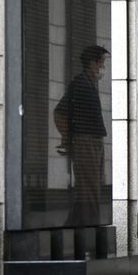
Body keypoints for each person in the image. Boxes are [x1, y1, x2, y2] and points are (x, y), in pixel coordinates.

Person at [54, 45, 109, 227]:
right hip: (86, 141)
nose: (103, 66)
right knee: (89, 188)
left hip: (92, 141)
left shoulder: (89, 83)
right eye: (101, 62)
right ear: (92, 62)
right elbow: (60, 113)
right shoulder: (80, 84)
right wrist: (70, 138)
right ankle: (90, 229)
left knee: (89, 187)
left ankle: (74, 225)